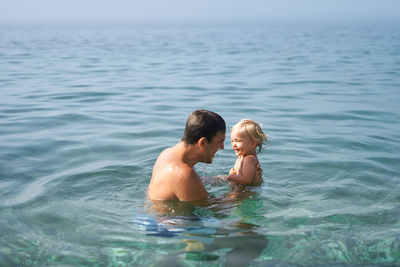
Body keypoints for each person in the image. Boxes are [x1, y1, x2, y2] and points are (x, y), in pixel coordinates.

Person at [147, 109, 226, 201]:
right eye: (220, 142)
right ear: (203, 143)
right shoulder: (183, 173)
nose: (222, 147)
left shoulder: (166, 153)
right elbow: (215, 211)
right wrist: (239, 192)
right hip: (171, 216)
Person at [226, 119, 267, 185]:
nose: (234, 144)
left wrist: (230, 177)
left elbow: (246, 180)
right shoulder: (243, 157)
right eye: (232, 141)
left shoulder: (250, 159)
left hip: (249, 190)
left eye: (238, 141)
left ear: (252, 143)